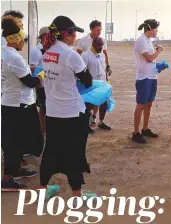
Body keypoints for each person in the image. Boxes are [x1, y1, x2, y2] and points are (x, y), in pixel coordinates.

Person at [40, 16, 94, 200]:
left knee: (51, 150)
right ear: (67, 34)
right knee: (73, 152)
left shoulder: (47, 53)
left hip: (52, 110)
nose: (76, 36)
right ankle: (77, 195)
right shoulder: (71, 55)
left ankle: (43, 190)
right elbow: (87, 81)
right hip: (71, 112)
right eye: (74, 33)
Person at [1, 15, 44, 191]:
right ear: (16, 40)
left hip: (14, 103)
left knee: (18, 140)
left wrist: (31, 70)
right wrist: (40, 75)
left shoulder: (7, 53)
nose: (24, 43)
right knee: (14, 142)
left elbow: (21, 74)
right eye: (23, 40)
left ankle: (16, 170)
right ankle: (7, 179)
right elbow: (29, 82)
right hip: (18, 105)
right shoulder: (13, 57)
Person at [77, 20, 111, 133]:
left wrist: (107, 70)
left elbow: (105, 57)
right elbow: (78, 60)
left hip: (101, 81)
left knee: (103, 102)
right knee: (89, 104)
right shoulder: (84, 43)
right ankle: (87, 123)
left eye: (100, 30)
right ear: (91, 29)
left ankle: (99, 121)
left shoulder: (101, 52)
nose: (99, 32)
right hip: (90, 82)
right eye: (97, 30)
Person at [132, 19, 163, 144]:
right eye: (156, 29)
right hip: (143, 78)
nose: (156, 31)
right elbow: (149, 58)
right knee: (140, 105)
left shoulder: (148, 41)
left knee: (149, 104)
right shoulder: (141, 41)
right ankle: (136, 132)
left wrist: (158, 66)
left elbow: (151, 61)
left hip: (152, 77)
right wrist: (159, 51)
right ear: (151, 28)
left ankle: (145, 129)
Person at [29, 26, 49, 136]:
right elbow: (33, 70)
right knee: (43, 109)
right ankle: (43, 132)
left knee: (49, 109)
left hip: (51, 85)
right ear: (44, 36)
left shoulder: (49, 49)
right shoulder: (36, 51)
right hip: (42, 86)